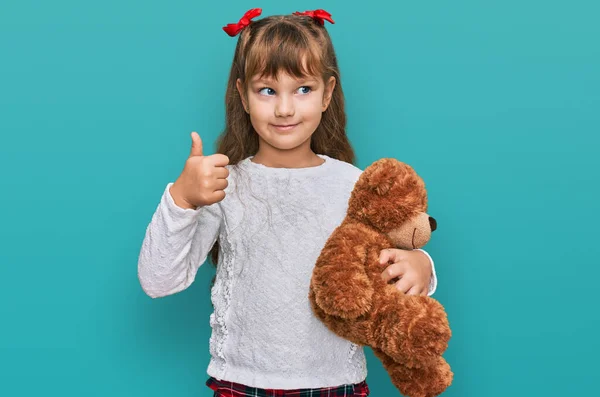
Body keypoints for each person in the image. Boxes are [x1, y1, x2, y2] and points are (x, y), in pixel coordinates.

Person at [138, 8, 439, 397]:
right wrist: (182, 198)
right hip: (242, 384)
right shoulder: (221, 186)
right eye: (267, 90)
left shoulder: (355, 185)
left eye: (303, 89)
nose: (284, 108)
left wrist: (422, 266)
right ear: (242, 95)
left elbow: (396, 257)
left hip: (337, 383)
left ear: (327, 93)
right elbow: (158, 280)